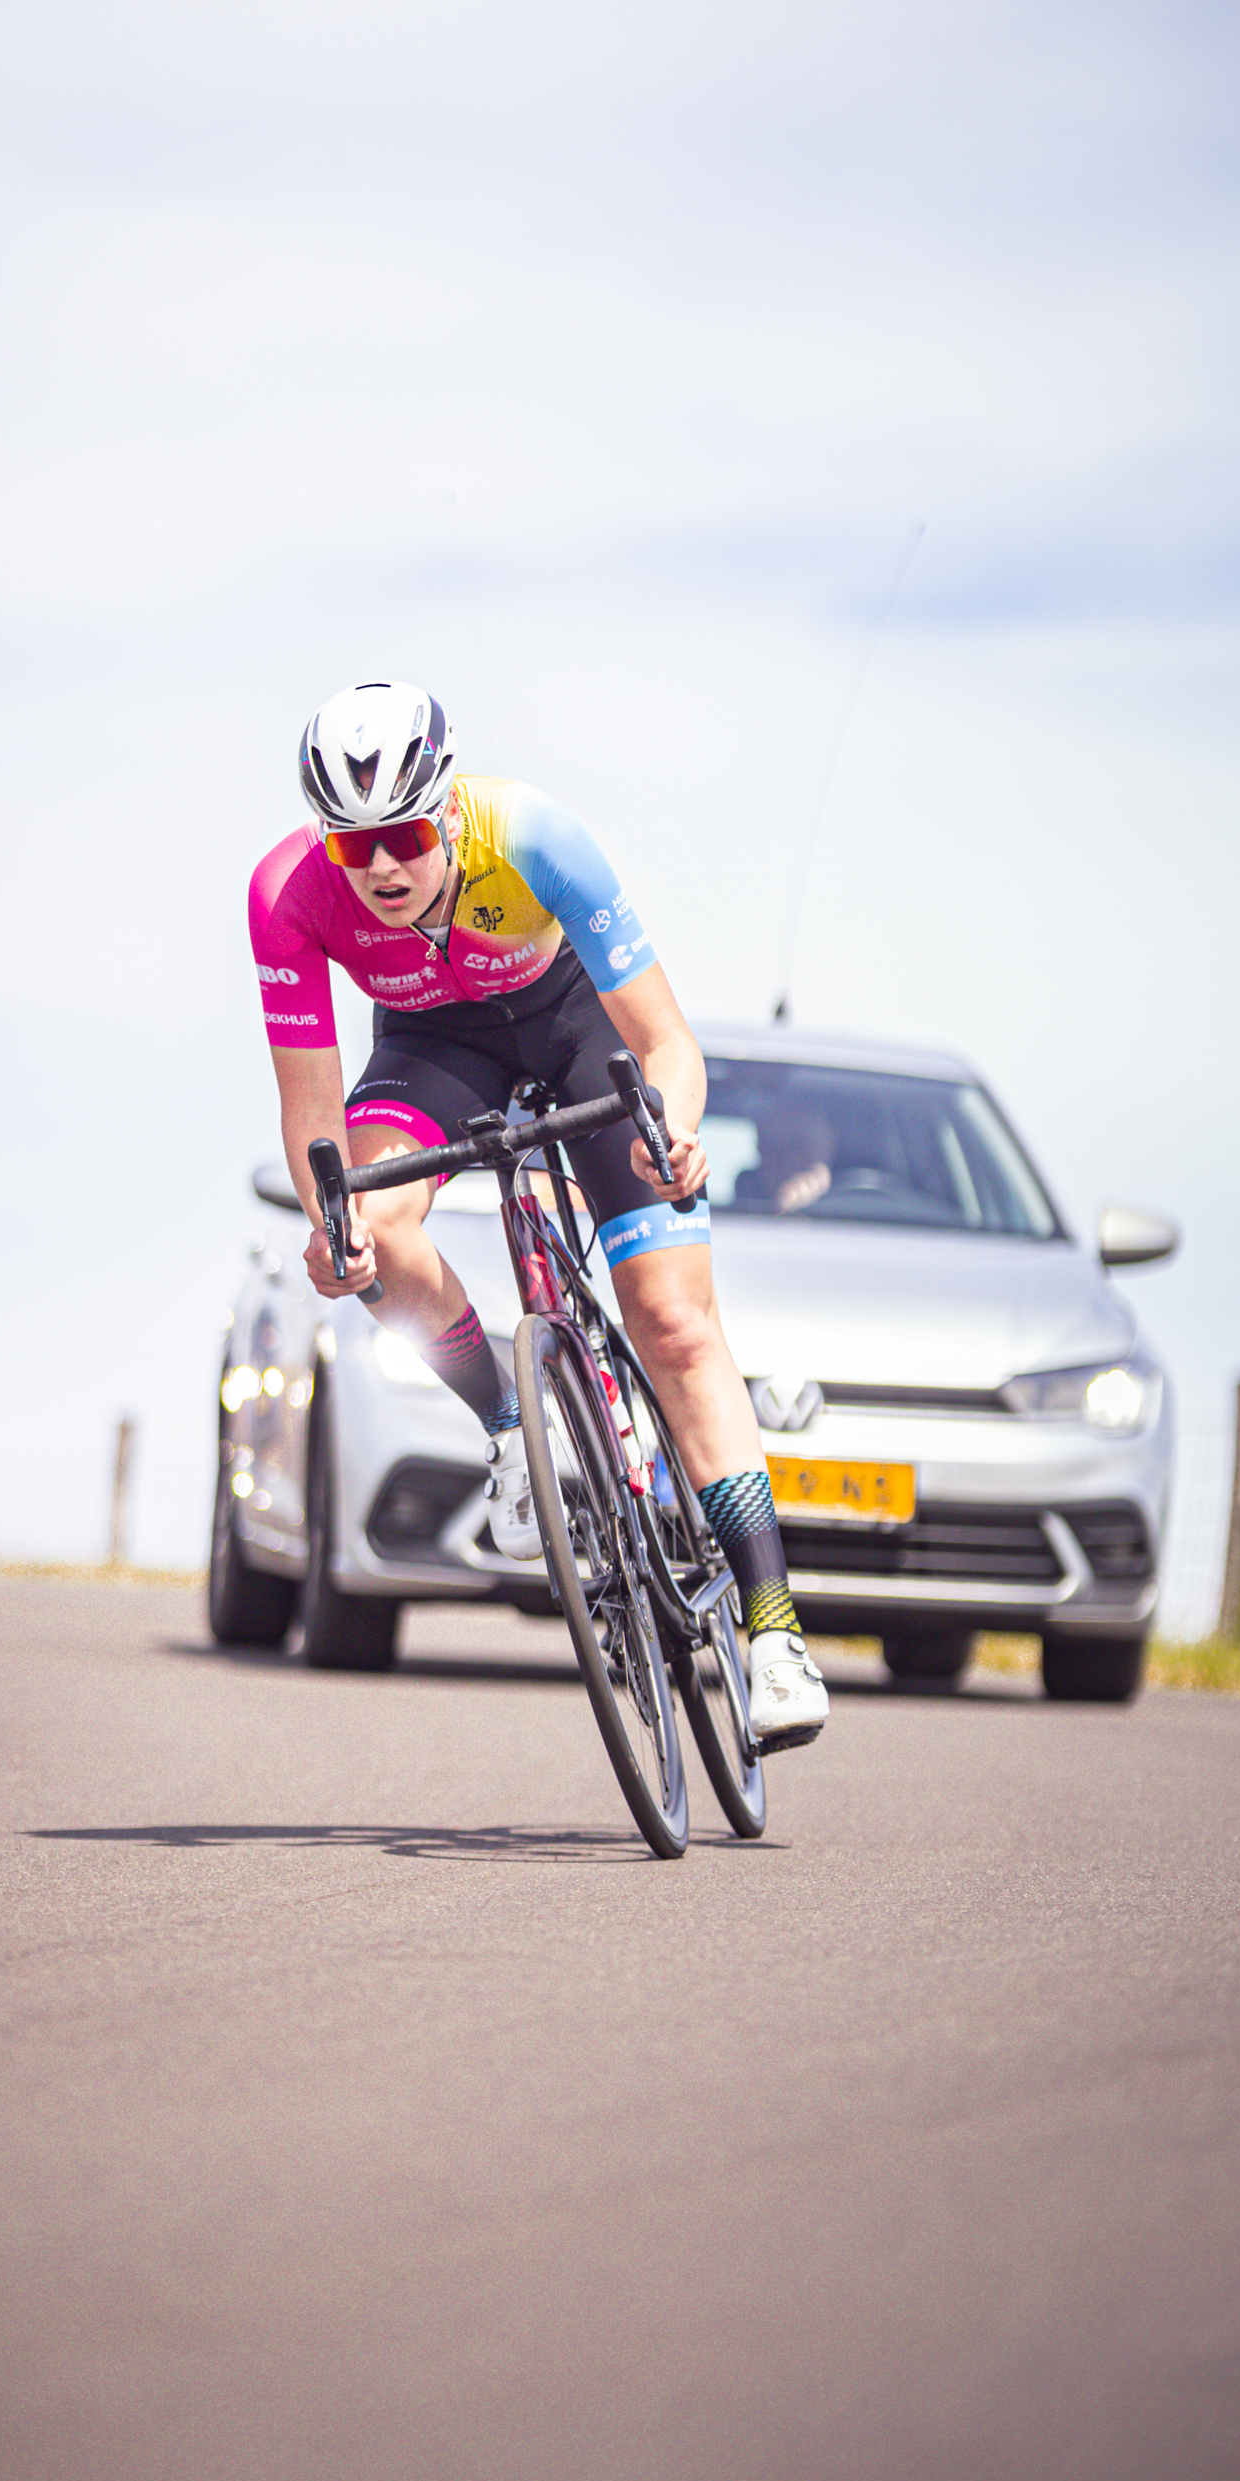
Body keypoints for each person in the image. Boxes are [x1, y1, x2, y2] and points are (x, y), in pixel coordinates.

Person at [249, 678, 828, 1750]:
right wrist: (334, 1221)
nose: (380, 868)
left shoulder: (532, 834)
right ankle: (510, 1427)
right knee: (369, 1233)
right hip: (432, 1048)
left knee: (672, 1322)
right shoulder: (283, 894)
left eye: (407, 836)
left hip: (571, 1032)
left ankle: (772, 1627)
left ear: (450, 807)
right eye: (351, 847)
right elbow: (312, 1110)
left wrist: (677, 1129)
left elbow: (665, 1046)